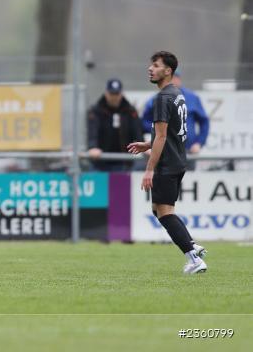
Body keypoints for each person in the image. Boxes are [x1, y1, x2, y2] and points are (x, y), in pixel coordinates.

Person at [128, 51, 207, 275]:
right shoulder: (176, 93)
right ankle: (192, 247)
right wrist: (147, 144)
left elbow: (162, 136)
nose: (150, 69)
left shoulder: (162, 97)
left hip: (166, 164)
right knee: (160, 210)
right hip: (177, 160)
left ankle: (193, 257)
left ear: (168, 71)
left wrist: (149, 169)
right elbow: (169, 133)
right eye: (150, 65)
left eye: (155, 65)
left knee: (164, 212)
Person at [141, 69, 209, 171]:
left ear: (179, 79)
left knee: (186, 182)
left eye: (174, 78)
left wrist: (199, 143)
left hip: (187, 152)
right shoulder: (155, 99)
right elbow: (144, 123)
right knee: (165, 183)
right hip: (163, 152)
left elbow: (204, 122)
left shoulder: (192, 98)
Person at [86, 78, 142, 172]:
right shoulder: (96, 111)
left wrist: (144, 146)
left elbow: (137, 131)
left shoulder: (130, 111)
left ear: (121, 94)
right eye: (112, 94)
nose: (114, 97)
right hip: (100, 162)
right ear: (106, 93)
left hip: (124, 162)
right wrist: (92, 147)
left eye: (117, 94)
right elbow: (92, 131)